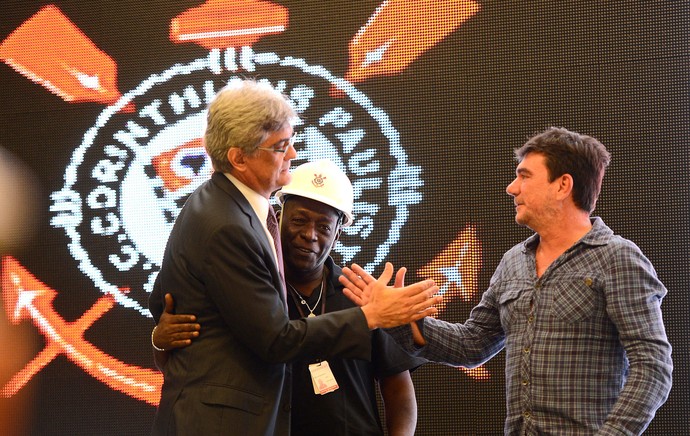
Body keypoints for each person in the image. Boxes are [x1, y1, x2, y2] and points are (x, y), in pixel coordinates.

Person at [148, 79, 440, 436]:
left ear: (340, 231)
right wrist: (373, 316)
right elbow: (273, 339)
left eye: (324, 225)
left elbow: (399, 386)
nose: (292, 154)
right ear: (239, 158)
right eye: (280, 146)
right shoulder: (230, 226)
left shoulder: (356, 290)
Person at [341, 127, 673, 435]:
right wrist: (402, 317)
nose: (511, 187)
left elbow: (653, 367)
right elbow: (473, 344)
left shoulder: (618, 258)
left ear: (563, 185)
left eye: (524, 176)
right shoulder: (514, 260)